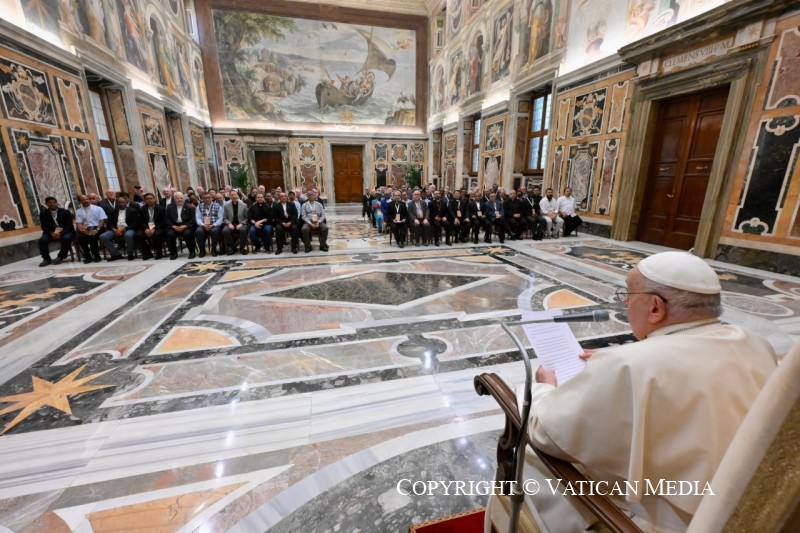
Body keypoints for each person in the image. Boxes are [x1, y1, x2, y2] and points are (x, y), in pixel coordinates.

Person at [487, 251, 777, 532]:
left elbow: (548, 435)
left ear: (655, 308)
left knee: (531, 458)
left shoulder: (630, 364)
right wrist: (618, 361)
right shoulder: (753, 342)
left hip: (666, 519)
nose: (625, 301)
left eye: (628, 293)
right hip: (746, 505)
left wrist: (542, 388)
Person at [100, 192, 140, 261]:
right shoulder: (113, 211)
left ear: (126, 203)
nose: (121, 204)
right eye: (119, 203)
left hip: (128, 229)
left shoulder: (132, 211)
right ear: (117, 203)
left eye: (123, 203)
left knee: (128, 235)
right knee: (103, 236)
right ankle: (116, 254)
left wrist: (124, 228)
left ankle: (130, 253)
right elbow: (110, 223)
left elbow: (135, 223)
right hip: (116, 229)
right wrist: (114, 229)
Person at [38, 196, 74, 266]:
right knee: (42, 240)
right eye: (50, 203)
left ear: (57, 203)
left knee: (66, 238)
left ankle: (61, 256)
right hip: (50, 232)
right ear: (46, 204)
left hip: (65, 231)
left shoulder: (65, 212)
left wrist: (60, 233)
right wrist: (51, 233)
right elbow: (44, 226)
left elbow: (69, 225)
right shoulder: (43, 214)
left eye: (54, 202)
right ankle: (46, 259)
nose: (52, 204)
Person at [75, 193, 107, 263]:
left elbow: (102, 220)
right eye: (83, 200)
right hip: (85, 229)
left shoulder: (98, 208)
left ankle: (96, 256)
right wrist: (83, 231)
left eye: (87, 199)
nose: (86, 201)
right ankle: (87, 257)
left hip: (97, 227)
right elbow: (79, 224)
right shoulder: (78, 211)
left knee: (92, 237)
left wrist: (97, 229)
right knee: (81, 237)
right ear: (80, 202)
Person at [165, 192, 197, 259]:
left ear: (184, 199)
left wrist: (185, 226)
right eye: (177, 198)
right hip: (175, 226)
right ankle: (173, 253)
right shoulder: (170, 207)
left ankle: (192, 252)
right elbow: (167, 219)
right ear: (174, 199)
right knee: (170, 234)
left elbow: (193, 219)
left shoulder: (190, 206)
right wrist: (172, 226)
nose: (179, 200)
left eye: (181, 198)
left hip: (186, 226)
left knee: (187, 234)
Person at [222, 190, 249, 255]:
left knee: (243, 230)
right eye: (232, 195)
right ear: (229, 196)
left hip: (241, 223)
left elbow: (247, 218)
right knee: (225, 231)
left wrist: (241, 224)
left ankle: (242, 248)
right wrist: (229, 223)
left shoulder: (244, 205)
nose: (234, 196)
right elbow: (224, 218)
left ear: (237, 195)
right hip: (231, 223)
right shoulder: (226, 205)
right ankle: (233, 247)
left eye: (235, 195)